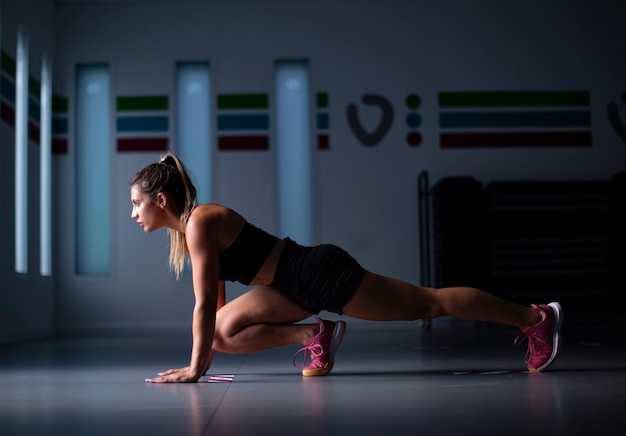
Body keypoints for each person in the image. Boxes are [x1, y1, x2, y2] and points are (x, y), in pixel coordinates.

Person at [132, 153, 563, 384]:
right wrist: (202, 360)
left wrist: (193, 370)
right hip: (287, 287)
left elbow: (204, 303)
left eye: (136, 203)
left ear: (162, 200)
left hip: (316, 273)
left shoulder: (201, 221)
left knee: (429, 304)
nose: (134, 213)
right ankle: (315, 334)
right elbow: (216, 305)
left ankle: (535, 318)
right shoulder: (192, 232)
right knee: (223, 332)